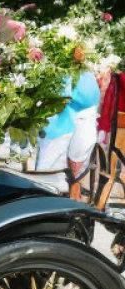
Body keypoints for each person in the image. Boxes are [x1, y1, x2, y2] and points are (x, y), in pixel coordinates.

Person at [36, 64, 101, 202]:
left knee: (48, 184)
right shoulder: (85, 77)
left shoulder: (80, 79)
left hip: (57, 133)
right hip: (60, 130)